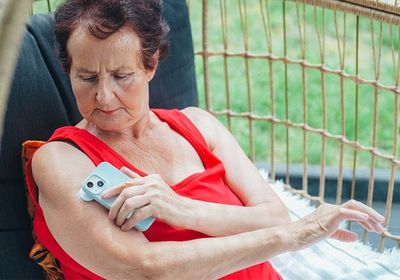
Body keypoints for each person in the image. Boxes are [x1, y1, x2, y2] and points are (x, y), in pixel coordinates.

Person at [26, 0, 385, 279]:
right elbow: (142, 270)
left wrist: (180, 208)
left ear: (151, 64)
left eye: (122, 75)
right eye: (87, 77)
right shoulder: (62, 161)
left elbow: (272, 215)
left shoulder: (199, 126)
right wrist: (292, 236)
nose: (104, 97)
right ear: (69, 69)